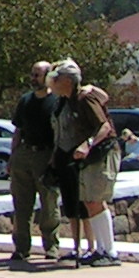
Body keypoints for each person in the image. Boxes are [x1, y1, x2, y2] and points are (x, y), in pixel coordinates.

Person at [57, 60, 121, 267]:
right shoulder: (71, 100)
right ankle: (100, 250)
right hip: (91, 157)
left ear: (67, 81)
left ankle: (109, 252)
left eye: (58, 79)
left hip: (103, 153)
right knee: (90, 201)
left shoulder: (85, 98)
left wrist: (87, 144)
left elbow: (104, 126)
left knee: (95, 200)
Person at [6, 61, 62, 266]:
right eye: (32, 74)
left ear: (48, 77)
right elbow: (18, 130)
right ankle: (21, 248)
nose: (33, 79)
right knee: (21, 205)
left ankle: (51, 247)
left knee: (49, 204)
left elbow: (60, 133)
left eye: (38, 75)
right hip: (24, 155)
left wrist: (54, 159)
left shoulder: (57, 102)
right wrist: (13, 157)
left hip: (45, 155)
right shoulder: (25, 101)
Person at [49, 64, 90, 262]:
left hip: (78, 157)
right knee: (70, 204)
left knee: (83, 204)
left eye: (58, 79)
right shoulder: (59, 102)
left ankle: (91, 246)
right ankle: (76, 246)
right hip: (62, 156)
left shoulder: (81, 99)